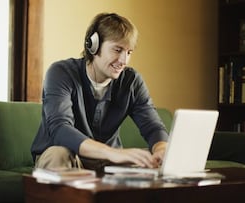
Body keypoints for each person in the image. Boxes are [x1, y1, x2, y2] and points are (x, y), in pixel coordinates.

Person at [31, 12, 168, 171]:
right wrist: (111, 153)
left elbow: (153, 127)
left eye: (129, 52)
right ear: (93, 46)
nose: (124, 60)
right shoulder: (61, 73)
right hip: (67, 155)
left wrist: (161, 150)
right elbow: (60, 129)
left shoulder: (132, 81)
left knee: (151, 161)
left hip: (108, 160)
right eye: (117, 50)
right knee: (58, 155)